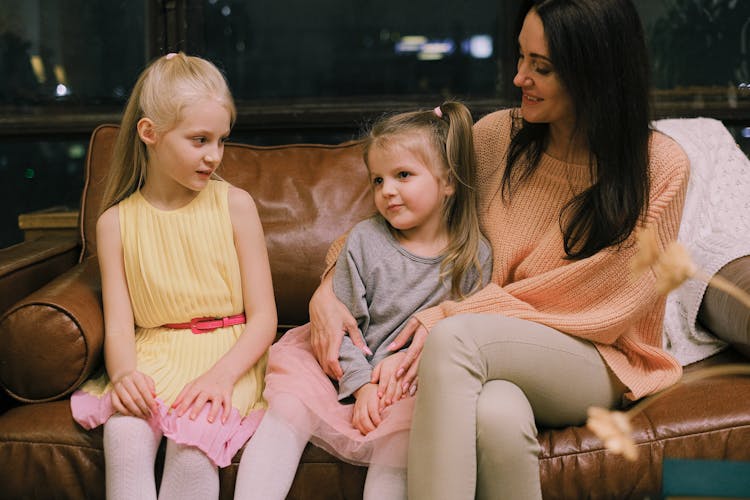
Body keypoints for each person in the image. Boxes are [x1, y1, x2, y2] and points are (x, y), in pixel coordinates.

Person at [308, 1, 690, 498]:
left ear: (596, 74)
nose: (518, 78)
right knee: (498, 415)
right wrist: (327, 288)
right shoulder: (496, 139)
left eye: (541, 67)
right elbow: (394, 227)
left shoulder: (659, 166)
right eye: (520, 57)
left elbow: (606, 302)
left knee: (455, 339)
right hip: (494, 355)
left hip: (598, 357)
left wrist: (453, 316)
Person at [233, 102, 492, 500]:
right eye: (377, 180)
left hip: (412, 387)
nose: (387, 190)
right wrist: (360, 387)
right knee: (287, 409)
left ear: (449, 182)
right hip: (340, 366)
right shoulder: (365, 241)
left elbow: (470, 334)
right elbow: (342, 328)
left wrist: (393, 386)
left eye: (403, 175)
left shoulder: (474, 258)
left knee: (403, 442)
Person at [70, 52, 277, 500]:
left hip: (227, 355)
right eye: (199, 140)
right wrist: (124, 375)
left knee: (192, 444)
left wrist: (222, 377)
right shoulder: (115, 223)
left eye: (221, 140)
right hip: (152, 353)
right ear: (150, 134)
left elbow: (264, 317)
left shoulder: (235, 205)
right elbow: (121, 326)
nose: (214, 156)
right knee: (124, 432)